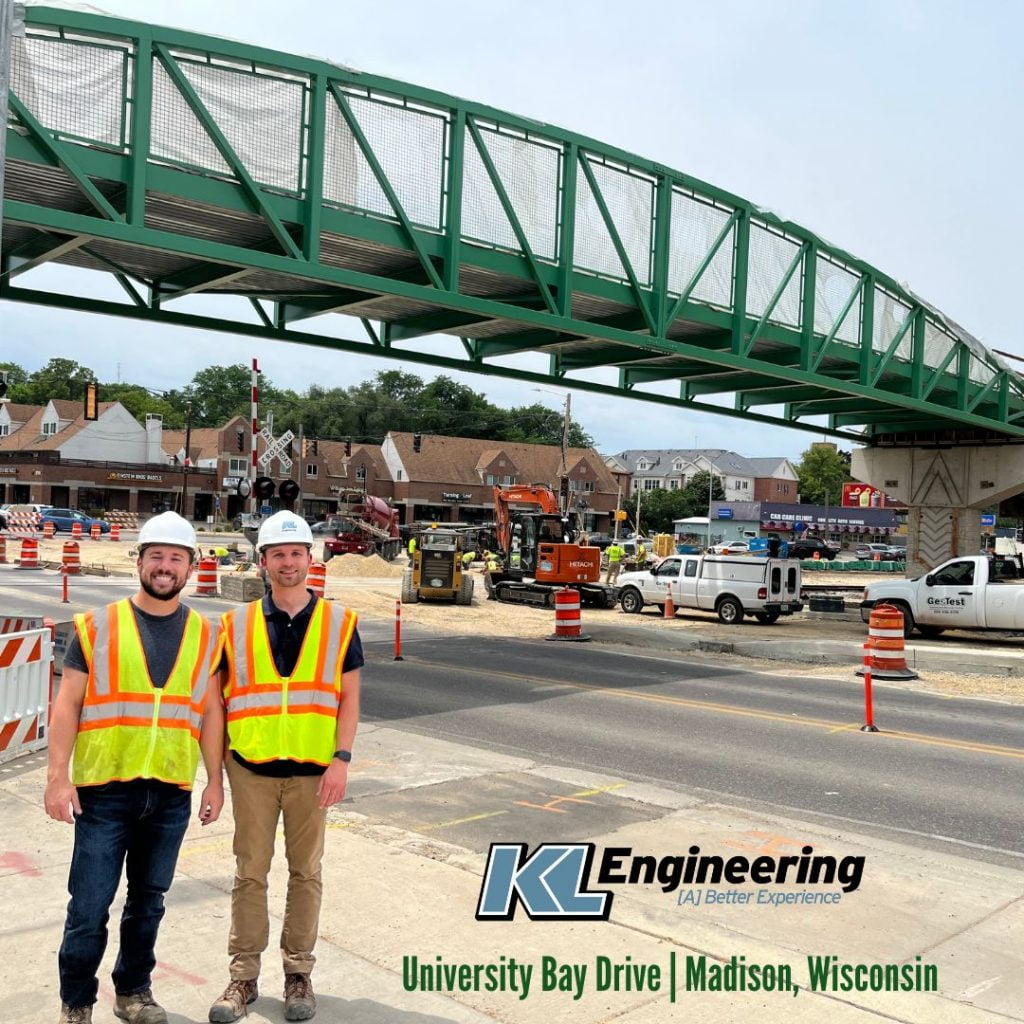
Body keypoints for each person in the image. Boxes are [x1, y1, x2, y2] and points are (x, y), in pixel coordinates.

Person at [44, 512, 226, 1024]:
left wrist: (214, 780)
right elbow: (67, 705)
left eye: (175, 558)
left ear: (190, 567)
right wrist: (58, 779)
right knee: (88, 908)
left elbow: (212, 711)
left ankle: (133, 992)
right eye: (156, 557)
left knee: (149, 901)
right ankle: (77, 1003)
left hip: (170, 790)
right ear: (140, 562)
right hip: (104, 790)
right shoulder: (97, 625)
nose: (164, 567)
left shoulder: (206, 635)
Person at [209, 511, 362, 1023]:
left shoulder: (340, 623)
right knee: (249, 873)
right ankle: (243, 977)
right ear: (264, 561)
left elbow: (350, 700)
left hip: (314, 771)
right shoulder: (233, 625)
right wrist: (215, 774)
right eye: (279, 554)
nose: (289, 562)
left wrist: (341, 760)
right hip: (250, 769)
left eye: (297, 553)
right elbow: (215, 704)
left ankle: (298, 973)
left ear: (310, 559)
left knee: (306, 874)